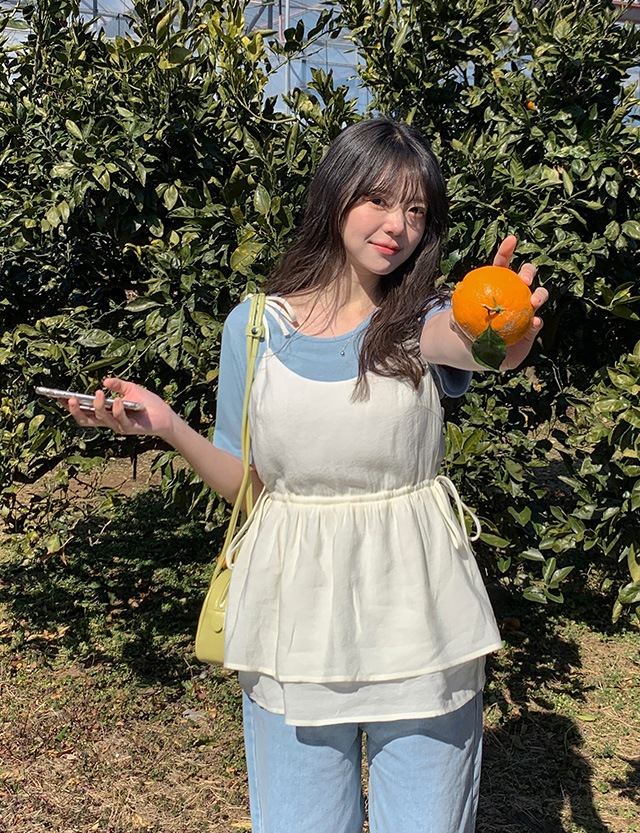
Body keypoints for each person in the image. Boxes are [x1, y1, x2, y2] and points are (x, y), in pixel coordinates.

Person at [65, 118, 548, 833]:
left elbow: (480, 346)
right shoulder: (256, 326)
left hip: (419, 616)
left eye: (417, 210)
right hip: (291, 617)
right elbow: (249, 485)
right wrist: (168, 426)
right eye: (379, 199)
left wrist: (503, 325)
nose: (398, 226)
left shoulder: (422, 319)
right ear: (335, 193)